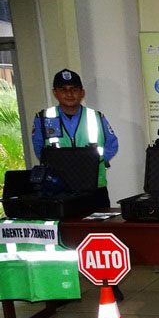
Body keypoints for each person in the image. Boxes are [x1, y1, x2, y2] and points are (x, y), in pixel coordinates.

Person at [32, 68, 123, 301]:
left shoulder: (96, 117)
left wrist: (90, 163)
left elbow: (111, 144)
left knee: (100, 236)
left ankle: (109, 284)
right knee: (62, 237)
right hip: (59, 189)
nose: (69, 94)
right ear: (55, 92)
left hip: (94, 186)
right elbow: (40, 149)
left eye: (74, 89)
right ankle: (63, 287)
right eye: (63, 89)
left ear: (82, 92)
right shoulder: (43, 118)